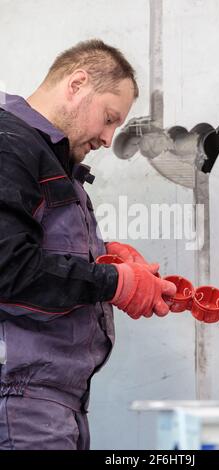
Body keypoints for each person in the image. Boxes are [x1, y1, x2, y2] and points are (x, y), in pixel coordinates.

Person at [0, 39, 176, 450]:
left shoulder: (47, 157)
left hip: (51, 402)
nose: (109, 137)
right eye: (109, 118)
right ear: (77, 83)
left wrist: (104, 255)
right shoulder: (10, 145)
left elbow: (33, 246)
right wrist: (113, 282)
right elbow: (7, 267)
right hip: (20, 402)